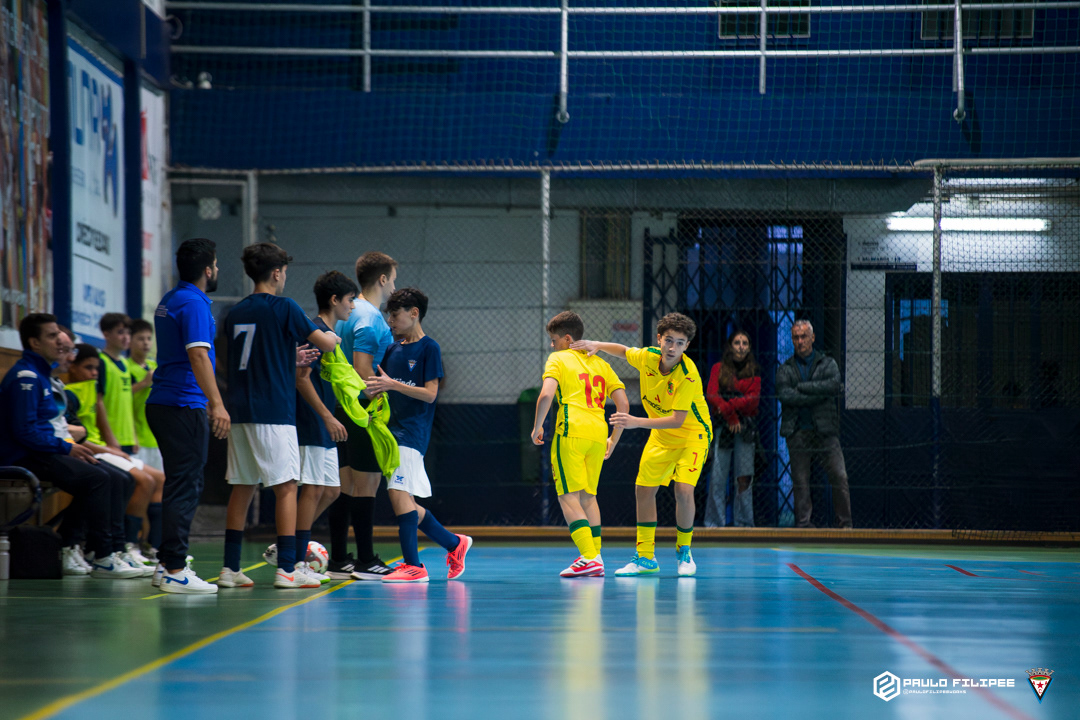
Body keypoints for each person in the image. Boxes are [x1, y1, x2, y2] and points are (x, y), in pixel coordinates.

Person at [219, 243, 339, 589]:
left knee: (242, 486)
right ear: (276, 273)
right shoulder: (285, 306)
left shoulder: (235, 312)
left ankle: (229, 568)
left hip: (240, 410)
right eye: (284, 272)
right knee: (286, 486)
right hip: (273, 410)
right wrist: (332, 335)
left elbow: (243, 358)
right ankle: (288, 568)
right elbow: (325, 344)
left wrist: (288, 360)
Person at [0, 314, 142, 579]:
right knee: (97, 479)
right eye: (52, 336)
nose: (60, 342)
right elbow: (24, 432)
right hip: (25, 456)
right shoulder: (26, 377)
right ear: (35, 343)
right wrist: (67, 448)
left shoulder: (44, 376)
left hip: (45, 451)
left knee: (113, 476)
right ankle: (98, 553)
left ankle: (107, 549)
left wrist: (68, 446)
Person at [573, 312, 713, 577]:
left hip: (692, 436)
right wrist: (598, 345)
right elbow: (624, 351)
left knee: (683, 490)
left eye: (679, 343)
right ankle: (646, 557)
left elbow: (677, 420)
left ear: (686, 346)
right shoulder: (648, 357)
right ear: (659, 339)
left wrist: (635, 422)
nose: (672, 347)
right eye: (668, 340)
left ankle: (684, 550)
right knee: (643, 490)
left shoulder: (688, 375)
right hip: (661, 436)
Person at [363, 287, 471, 583]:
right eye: (388, 315)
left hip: (411, 433)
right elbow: (383, 388)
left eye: (395, 315)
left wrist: (393, 385)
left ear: (414, 313)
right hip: (389, 433)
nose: (390, 321)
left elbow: (430, 394)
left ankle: (414, 566)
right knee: (405, 500)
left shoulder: (429, 348)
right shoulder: (392, 349)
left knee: (398, 496)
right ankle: (454, 543)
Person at [146, 238, 229, 594]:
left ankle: (166, 562)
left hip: (164, 402)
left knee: (178, 484)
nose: (217, 270)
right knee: (185, 485)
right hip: (182, 404)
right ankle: (175, 569)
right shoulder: (193, 303)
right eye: (216, 264)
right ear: (208, 269)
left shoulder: (171, 299)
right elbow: (197, 356)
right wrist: (217, 403)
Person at [531, 311, 628, 577]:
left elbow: (546, 395)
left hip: (571, 431)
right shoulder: (602, 363)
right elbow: (623, 405)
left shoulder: (558, 359)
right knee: (588, 497)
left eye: (554, 339)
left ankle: (589, 557)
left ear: (567, 339)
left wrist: (537, 426)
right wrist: (614, 439)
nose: (552, 345)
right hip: (598, 433)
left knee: (567, 496)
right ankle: (595, 556)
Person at [326, 251, 398, 581]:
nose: (393, 286)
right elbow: (362, 367)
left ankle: (339, 558)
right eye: (392, 279)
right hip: (361, 409)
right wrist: (378, 400)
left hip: (340, 405)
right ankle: (367, 560)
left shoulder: (347, 311)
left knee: (345, 485)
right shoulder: (369, 317)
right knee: (367, 483)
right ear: (382, 279)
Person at [283, 270, 357, 583]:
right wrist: (327, 416)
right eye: (350, 299)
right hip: (312, 420)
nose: (352, 305)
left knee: (331, 490)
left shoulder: (329, 335)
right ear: (334, 300)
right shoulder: (314, 332)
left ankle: (288, 542)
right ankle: (295, 560)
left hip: (324, 422)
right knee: (313, 489)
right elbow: (301, 380)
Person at [96, 313, 164, 561]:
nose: (126, 337)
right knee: (135, 489)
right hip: (113, 441)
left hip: (135, 438)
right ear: (107, 334)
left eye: (128, 332)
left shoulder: (125, 366)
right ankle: (122, 545)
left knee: (154, 483)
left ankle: (146, 545)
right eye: (122, 333)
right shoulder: (104, 363)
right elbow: (99, 402)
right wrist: (111, 438)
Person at [776, 319, 852, 529]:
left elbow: (833, 385)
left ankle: (845, 524)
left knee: (839, 475)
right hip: (797, 430)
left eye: (804, 337)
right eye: (796, 337)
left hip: (825, 430)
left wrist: (802, 388)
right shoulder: (785, 368)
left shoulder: (827, 363)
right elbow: (785, 395)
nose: (800, 341)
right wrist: (817, 394)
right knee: (800, 481)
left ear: (812, 338)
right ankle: (804, 525)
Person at [705, 331, 761, 528]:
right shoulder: (718, 368)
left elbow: (752, 400)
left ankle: (744, 523)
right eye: (737, 342)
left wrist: (727, 407)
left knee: (744, 477)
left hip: (745, 429)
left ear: (749, 347)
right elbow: (711, 395)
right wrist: (731, 416)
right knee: (717, 477)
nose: (741, 346)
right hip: (724, 427)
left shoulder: (754, 371)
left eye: (745, 343)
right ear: (730, 346)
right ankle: (714, 524)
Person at [128, 318, 164, 559]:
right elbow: (121, 400)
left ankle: (155, 544)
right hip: (136, 440)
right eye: (140, 338)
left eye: (149, 338)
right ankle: (133, 543)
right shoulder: (126, 368)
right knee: (138, 491)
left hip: (156, 439)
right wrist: (143, 384)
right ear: (130, 341)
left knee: (159, 490)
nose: (146, 343)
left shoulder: (155, 366)